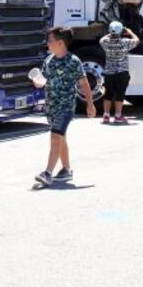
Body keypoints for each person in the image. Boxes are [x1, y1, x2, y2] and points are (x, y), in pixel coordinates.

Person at [35, 27, 95, 186]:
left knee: (55, 137)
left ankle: (47, 173)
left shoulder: (73, 61)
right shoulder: (48, 61)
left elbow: (84, 83)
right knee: (60, 137)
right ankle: (66, 170)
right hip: (51, 106)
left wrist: (90, 104)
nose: (47, 43)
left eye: (50, 40)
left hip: (66, 106)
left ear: (60, 43)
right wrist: (38, 82)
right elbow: (43, 79)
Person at [98, 21, 140, 124]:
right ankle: (117, 115)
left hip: (109, 73)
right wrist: (129, 32)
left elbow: (102, 39)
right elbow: (137, 40)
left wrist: (111, 33)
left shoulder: (105, 42)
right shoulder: (125, 42)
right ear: (121, 31)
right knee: (120, 94)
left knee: (108, 94)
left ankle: (106, 115)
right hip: (122, 73)